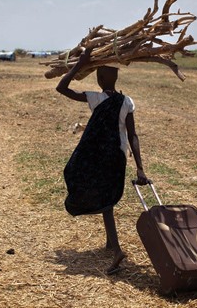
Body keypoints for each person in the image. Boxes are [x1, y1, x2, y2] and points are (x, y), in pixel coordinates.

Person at [56, 47, 149, 275]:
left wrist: (79, 65)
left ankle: (117, 250)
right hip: (117, 157)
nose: (98, 77)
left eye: (99, 74)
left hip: (99, 158)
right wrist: (139, 168)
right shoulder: (126, 101)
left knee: (98, 194)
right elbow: (133, 136)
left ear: (102, 78)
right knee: (107, 199)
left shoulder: (96, 98)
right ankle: (110, 243)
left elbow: (61, 87)